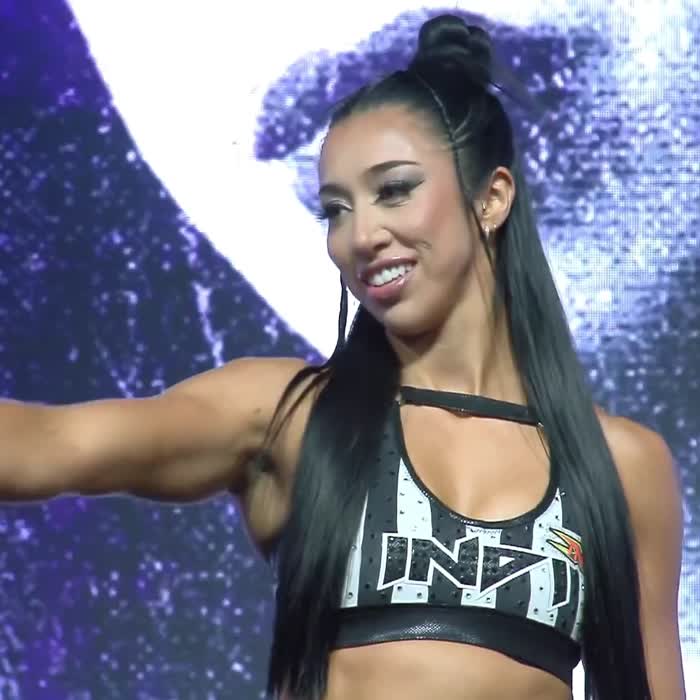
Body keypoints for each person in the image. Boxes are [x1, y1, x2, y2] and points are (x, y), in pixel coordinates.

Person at [0, 14, 685, 700]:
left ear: (491, 198)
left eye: (395, 191)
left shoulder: (621, 467)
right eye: (334, 209)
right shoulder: (291, 417)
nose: (360, 236)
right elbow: (46, 445)